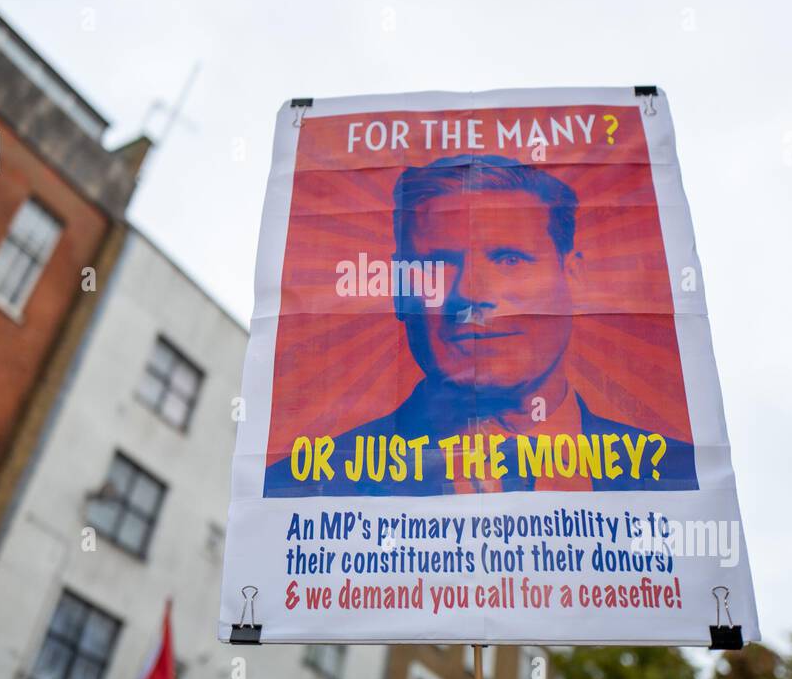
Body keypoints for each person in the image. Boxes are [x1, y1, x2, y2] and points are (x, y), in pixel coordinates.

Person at [264, 154, 697, 496]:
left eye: (510, 260)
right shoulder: (302, 489)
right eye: (437, 265)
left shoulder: (677, 479)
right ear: (398, 290)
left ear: (574, 278)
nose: (470, 293)